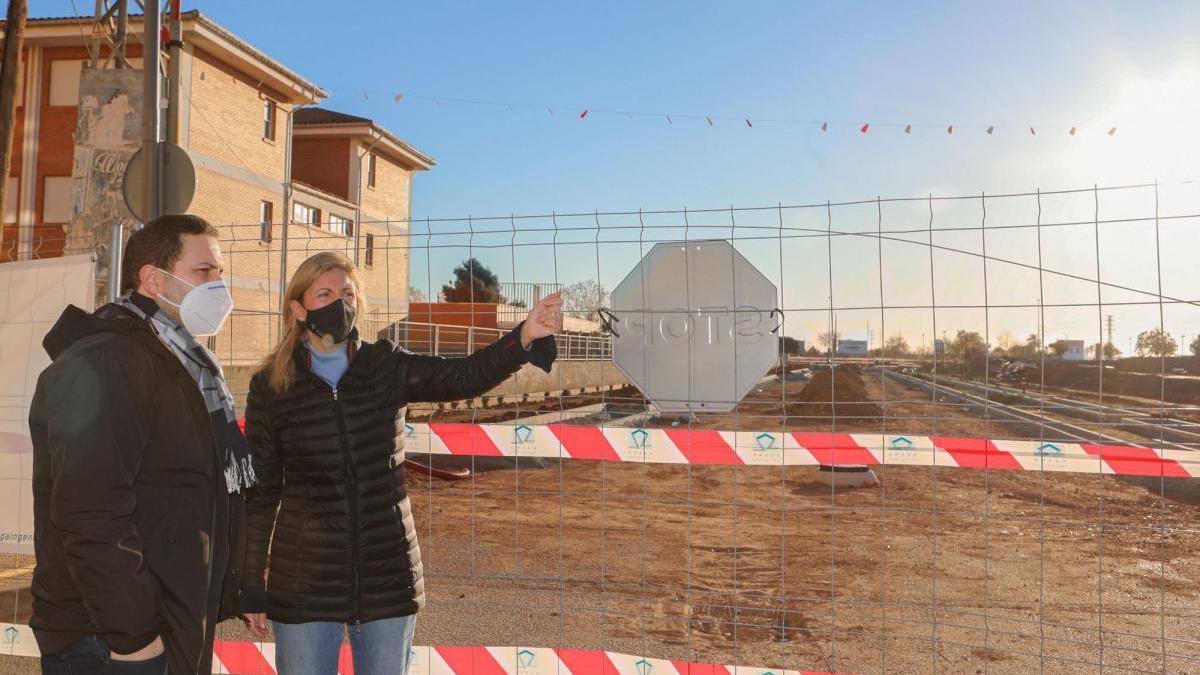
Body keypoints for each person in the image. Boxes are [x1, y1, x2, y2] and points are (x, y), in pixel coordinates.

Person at [240, 251, 559, 674]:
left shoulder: (384, 364)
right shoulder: (271, 386)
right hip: (303, 583)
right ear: (298, 308)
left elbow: (460, 377)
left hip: (386, 576)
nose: (341, 302)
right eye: (325, 293)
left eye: (348, 293)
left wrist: (521, 338)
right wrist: (248, 583)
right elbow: (261, 493)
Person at [28, 214, 254, 674]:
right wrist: (135, 638)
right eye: (204, 272)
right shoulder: (111, 361)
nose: (219, 288)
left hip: (162, 620)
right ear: (153, 279)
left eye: (221, 274)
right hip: (110, 640)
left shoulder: (180, 364)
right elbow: (89, 510)